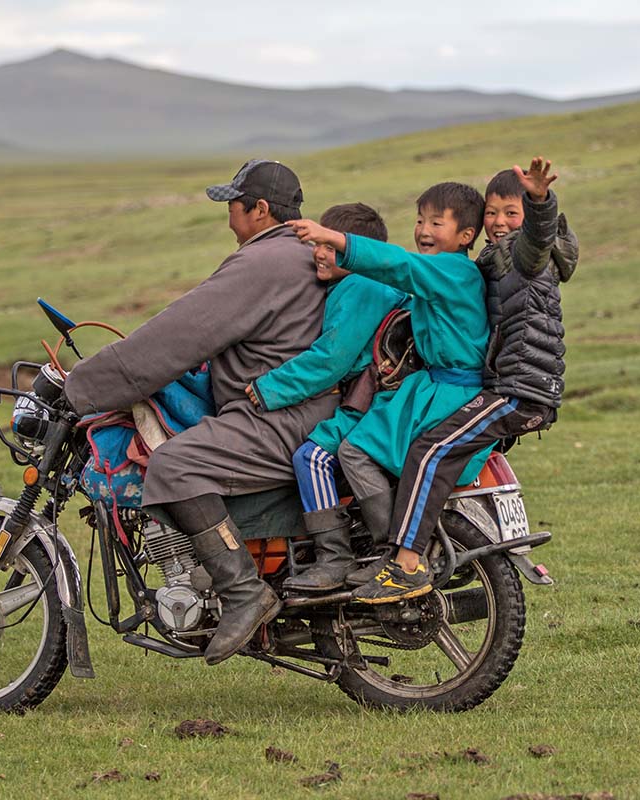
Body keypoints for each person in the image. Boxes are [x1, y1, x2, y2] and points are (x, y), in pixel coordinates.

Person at [63, 159, 338, 665]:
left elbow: (181, 333)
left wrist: (82, 386)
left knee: (174, 463)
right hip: (295, 410)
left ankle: (243, 592)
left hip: (282, 419)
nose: (228, 217)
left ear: (259, 210)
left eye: (233, 206)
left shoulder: (264, 263)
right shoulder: (294, 254)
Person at [348, 157, 578, 603]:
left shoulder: (527, 257)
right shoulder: (495, 260)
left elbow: (536, 237)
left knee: (431, 451)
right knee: (429, 448)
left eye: (510, 213)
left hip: (520, 392)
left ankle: (405, 564)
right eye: (491, 212)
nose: (498, 222)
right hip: (510, 386)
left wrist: (538, 201)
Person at [286, 182, 491, 603]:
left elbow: (399, 265)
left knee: (353, 451)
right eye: (419, 221)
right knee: (354, 450)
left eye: (436, 222)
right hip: (429, 386)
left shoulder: (453, 271)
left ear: (466, 236)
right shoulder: (442, 272)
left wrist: (336, 240)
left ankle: (391, 552)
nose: (423, 229)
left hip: (448, 395)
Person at [243, 203, 408, 593]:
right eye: (318, 243)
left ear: (357, 251)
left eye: (331, 247)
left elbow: (331, 359)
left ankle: (335, 557)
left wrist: (270, 388)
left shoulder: (362, 285)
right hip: (373, 397)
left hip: (371, 401)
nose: (319, 252)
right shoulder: (361, 283)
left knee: (311, 457)